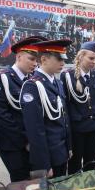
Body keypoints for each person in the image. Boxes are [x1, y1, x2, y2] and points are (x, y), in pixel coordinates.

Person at [0, 37, 43, 182]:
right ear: (18, 56)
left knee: (36, 183)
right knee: (20, 183)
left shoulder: (33, 80)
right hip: (13, 144)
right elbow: (1, 115)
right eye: (31, 59)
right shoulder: (1, 78)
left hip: (33, 143)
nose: (35, 64)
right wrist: (26, 140)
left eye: (36, 60)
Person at [20, 40, 72, 178]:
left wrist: (69, 147)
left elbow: (64, 119)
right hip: (48, 156)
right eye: (59, 59)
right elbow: (35, 130)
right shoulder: (33, 86)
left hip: (61, 152)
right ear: (43, 59)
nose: (63, 63)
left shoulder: (57, 82)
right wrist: (43, 164)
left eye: (64, 59)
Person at [61, 41, 95, 174]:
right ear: (80, 57)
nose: (94, 61)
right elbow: (66, 104)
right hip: (77, 127)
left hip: (94, 126)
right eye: (91, 58)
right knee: (74, 162)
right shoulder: (68, 76)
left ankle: (88, 189)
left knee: (90, 162)